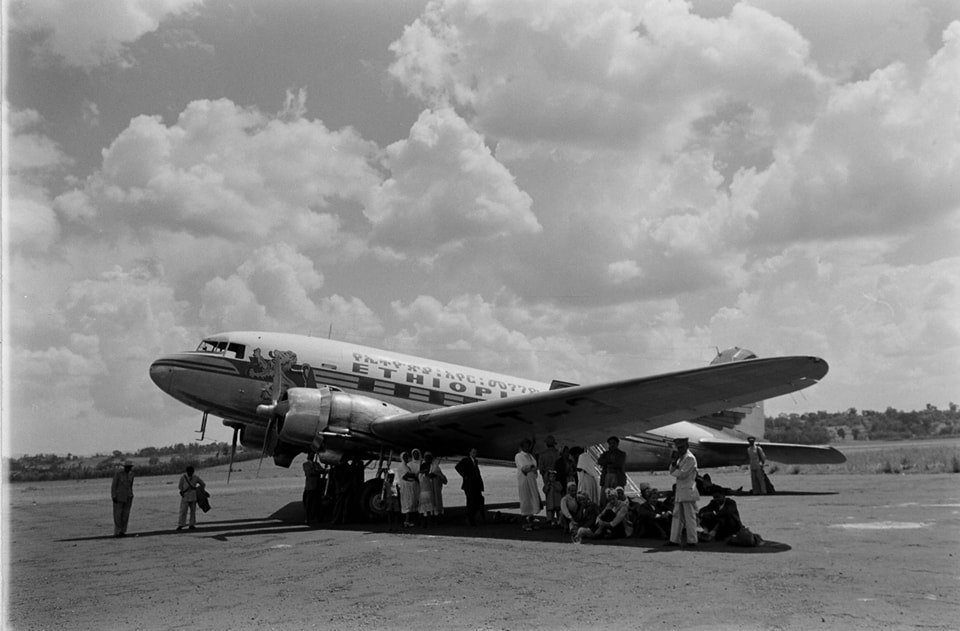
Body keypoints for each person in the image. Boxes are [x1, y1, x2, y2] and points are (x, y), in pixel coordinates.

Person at [665, 437, 699, 547]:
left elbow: (682, 474)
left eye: (682, 447)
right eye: (678, 447)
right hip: (680, 491)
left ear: (687, 446)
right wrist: (674, 463)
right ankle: (674, 540)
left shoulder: (690, 458)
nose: (680, 449)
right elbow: (671, 469)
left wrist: (675, 469)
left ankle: (692, 540)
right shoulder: (680, 458)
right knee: (676, 515)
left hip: (688, 490)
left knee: (689, 516)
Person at [515, 439, 542, 531]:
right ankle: (525, 524)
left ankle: (531, 522)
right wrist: (532, 467)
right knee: (526, 501)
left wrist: (532, 468)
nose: (527, 447)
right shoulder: (519, 456)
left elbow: (534, 466)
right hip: (525, 481)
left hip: (532, 481)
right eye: (525, 446)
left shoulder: (530, 456)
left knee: (532, 500)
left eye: (528, 446)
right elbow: (523, 468)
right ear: (522, 446)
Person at [455, 448, 485, 525]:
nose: (475, 454)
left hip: (476, 485)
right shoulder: (466, 460)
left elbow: (477, 473)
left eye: (475, 452)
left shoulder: (475, 461)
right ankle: (471, 519)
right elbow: (457, 467)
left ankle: (474, 517)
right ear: (470, 453)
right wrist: (464, 476)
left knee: (478, 500)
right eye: (473, 452)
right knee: (471, 502)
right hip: (469, 485)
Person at [177, 465, 205, 531]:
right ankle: (181, 525)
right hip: (186, 496)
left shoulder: (195, 477)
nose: (190, 473)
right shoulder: (183, 477)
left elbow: (203, 484)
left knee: (192, 511)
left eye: (191, 471)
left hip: (192, 496)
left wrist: (197, 489)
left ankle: (191, 524)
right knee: (183, 511)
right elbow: (180, 487)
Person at [111, 460, 135, 537]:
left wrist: (131, 494)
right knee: (118, 515)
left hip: (128, 497)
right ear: (124, 467)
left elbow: (131, 485)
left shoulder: (131, 474)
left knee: (125, 515)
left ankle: (123, 531)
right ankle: (117, 531)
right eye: (127, 467)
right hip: (119, 497)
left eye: (129, 467)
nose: (128, 469)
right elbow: (114, 485)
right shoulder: (118, 473)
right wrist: (113, 496)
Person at [396, 451, 419, 527]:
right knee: (407, 504)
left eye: (407, 456)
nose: (406, 458)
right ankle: (407, 521)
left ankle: (409, 520)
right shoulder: (402, 466)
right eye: (404, 457)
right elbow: (406, 475)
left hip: (409, 487)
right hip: (405, 488)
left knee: (411, 503)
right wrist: (415, 476)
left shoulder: (406, 466)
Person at [302, 453, 323, 526]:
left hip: (317, 487)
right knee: (308, 504)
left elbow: (322, 470)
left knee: (317, 503)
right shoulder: (305, 464)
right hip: (309, 487)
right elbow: (310, 473)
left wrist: (318, 471)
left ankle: (318, 518)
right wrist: (317, 471)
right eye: (310, 455)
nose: (311, 456)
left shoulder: (316, 464)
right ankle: (308, 518)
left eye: (312, 455)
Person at [418, 452, 438, 527]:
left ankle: (425, 523)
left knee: (424, 509)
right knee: (428, 509)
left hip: (424, 493)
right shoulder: (426, 476)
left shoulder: (421, 476)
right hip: (427, 493)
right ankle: (427, 523)